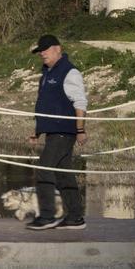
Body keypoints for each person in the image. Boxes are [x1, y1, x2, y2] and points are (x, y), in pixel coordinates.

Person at [26, 33, 89, 230]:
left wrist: (80, 129)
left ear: (57, 49)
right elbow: (44, 104)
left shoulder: (70, 72)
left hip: (64, 131)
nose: (42, 54)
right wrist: (38, 131)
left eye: (45, 50)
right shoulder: (46, 73)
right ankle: (75, 217)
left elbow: (80, 102)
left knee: (45, 168)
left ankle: (47, 216)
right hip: (52, 131)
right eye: (39, 51)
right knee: (64, 174)